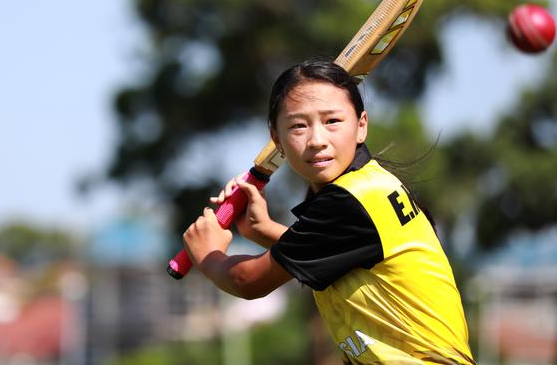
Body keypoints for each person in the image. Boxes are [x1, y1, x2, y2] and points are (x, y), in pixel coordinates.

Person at [182, 59, 474, 364]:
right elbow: (332, 254)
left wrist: (209, 255)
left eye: (332, 121)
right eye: (298, 125)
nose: (317, 141)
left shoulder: (350, 201)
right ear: (276, 139)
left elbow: (248, 281)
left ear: (361, 126)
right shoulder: (370, 185)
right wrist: (263, 229)